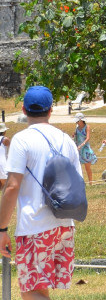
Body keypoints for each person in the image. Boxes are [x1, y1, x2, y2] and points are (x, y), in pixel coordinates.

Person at [0, 86, 82, 298]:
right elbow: (78, 183)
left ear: (24, 110)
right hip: (64, 225)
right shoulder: (67, 140)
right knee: (40, 290)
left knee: (31, 292)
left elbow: (12, 187)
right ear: (51, 110)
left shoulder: (22, 139)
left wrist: (1, 229)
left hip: (34, 225)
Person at [73, 113, 98, 184]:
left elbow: (88, 138)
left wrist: (82, 145)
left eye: (78, 121)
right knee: (78, 167)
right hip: (79, 149)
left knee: (87, 167)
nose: (76, 122)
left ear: (81, 120)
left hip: (85, 149)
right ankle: (80, 182)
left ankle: (91, 182)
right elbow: (76, 137)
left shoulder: (87, 127)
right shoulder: (77, 128)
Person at [0, 123, 9, 193]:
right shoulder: (5, 139)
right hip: (2, 164)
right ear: (4, 131)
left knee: (2, 186)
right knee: (6, 186)